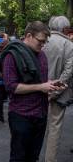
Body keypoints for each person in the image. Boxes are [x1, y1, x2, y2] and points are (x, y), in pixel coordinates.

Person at [1, 21, 65, 162]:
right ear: (29, 36)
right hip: (21, 116)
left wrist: (50, 84)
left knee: (33, 157)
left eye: (45, 42)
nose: (43, 45)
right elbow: (11, 87)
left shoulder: (41, 55)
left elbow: (40, 81)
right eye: (40, 41)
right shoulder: (12, 55)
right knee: (19, 158)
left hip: (40, 115)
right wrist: (41, 87)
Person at [43, 16, 73, 162]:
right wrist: (54, 92)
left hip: (37, 90)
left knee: (36, 124)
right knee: (54, 127)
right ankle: (49, 160)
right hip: (59, 94)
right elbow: (68, 72)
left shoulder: (42, 41)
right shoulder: (69, 45)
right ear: (65, 29)